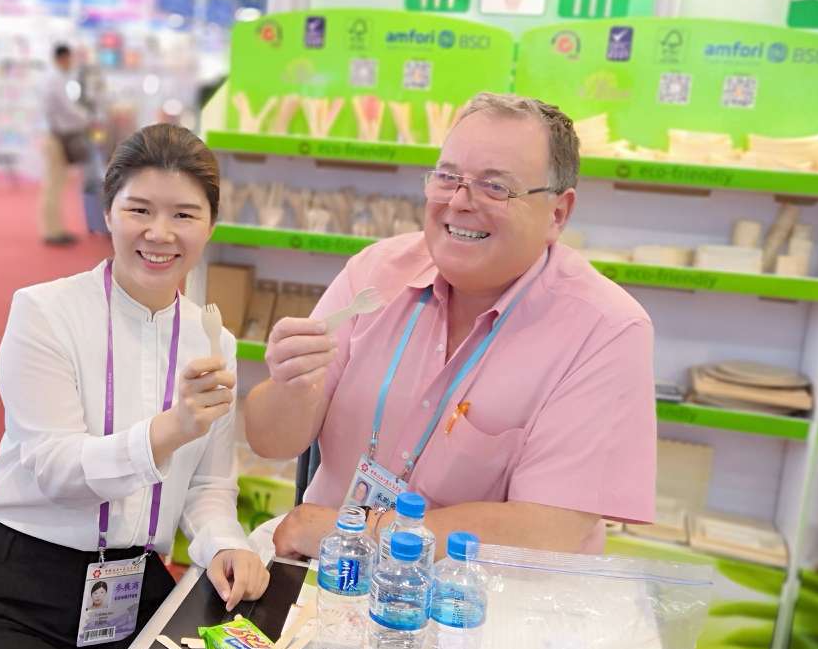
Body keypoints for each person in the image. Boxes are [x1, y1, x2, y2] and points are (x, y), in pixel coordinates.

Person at [0, 123, 271, 649]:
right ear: (107, 211)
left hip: (131, 587)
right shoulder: (44, 312)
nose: (160, 233)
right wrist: (171, 429)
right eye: (138, 210)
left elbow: (209, 484)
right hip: (16, 594)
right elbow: (55, 468)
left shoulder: (214, 340)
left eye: (184, 214)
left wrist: (224, 543)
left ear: (210, 225)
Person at [245, 92, 656, 560]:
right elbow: (270, 440)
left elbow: (546, 531)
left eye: (495, 187)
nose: (460, 202)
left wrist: (350, 532)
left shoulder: (605, 331)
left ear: (557, 214)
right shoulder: (377, 272)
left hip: (477, 609)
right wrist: (291, 384)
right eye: (447, 177)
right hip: (330, 583)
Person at [42, 43, 89, 246]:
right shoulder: (54, 79)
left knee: (56, 184)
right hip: (56, 138)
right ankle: (52, 232)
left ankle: (55, 229)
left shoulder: (56, 78)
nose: (72, 63)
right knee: (54, 184)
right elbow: (67, 109)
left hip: (57, 136)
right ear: (63, 58)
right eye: (70, 58)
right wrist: (87, 118)